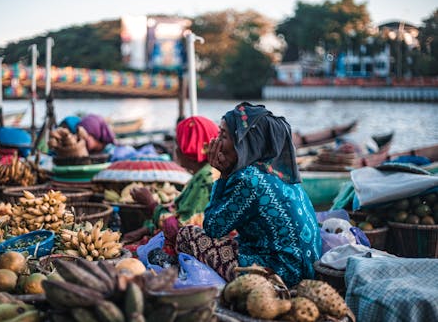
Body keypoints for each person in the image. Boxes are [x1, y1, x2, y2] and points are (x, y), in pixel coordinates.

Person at [176, 102, 322, 286]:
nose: (216, 142)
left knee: (187, 235)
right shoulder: (278, 173)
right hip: (302, 268)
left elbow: (212, 227)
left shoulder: (248, 178)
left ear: (243, 143)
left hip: (280, 274)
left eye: (223, 135)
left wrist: (223, 177)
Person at [123, 116, 220, 254]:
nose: (176, 148)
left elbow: (180, 230)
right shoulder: (202, 173)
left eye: (178, 142)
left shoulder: (206, 179)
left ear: (187, 148)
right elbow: (180, 213)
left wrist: (151, 204)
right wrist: (147, 229)